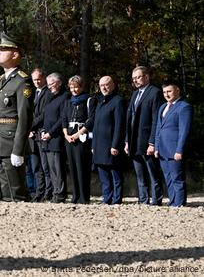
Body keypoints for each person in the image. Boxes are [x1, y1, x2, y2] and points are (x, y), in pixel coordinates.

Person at [0, 32, 34, 202]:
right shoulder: (0, 80)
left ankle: (21, 208)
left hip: (11, 138)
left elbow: (25, 117)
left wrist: (18, 150)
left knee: (15, 186)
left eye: (3, 49)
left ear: (15, 54)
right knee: (3, 179)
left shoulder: (22, 81)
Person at [125, 66, 165, 205]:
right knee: (140, 173)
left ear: (147, 77)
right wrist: (126, 141)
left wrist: (152, 142)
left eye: (138, 77)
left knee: (152, 172)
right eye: (134, 78)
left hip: (147, 140)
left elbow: (156, 119)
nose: (135, 80)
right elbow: (129, 118)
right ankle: (143, 199)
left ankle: (156, 199)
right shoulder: (135, 94)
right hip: (133, 140)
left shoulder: (155, 93)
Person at [154, 81, 193, 207]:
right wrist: (156, 147)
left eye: (169, 91)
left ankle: (180, 204)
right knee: (168, 179)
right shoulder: (162, 107)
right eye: (164, 92)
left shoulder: (184, 107)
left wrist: (180, 150)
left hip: (175, 149)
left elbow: (184, 131)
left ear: (177, 90)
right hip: (163, 149)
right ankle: (173, 203)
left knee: (177, 178)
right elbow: (158, 128)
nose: (166, 94)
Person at [92, 76, 126, 205]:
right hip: (99, 145)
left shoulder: (118, 101)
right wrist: (93, 145)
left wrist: (116, 145)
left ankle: (117, 200)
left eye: (107, 85)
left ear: (113, 85)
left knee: (115, 175)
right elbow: (96, 126)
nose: (104, 88)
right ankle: (107, 199)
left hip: (111, 145)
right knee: (104, 176)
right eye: (101, 86)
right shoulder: (100, 102)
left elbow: (119, 125)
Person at [62, 75, 95, 204]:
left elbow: (91, 119)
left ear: (81, 87)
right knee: (72, 166)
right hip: (69, 137)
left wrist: (77, 134)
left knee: (82, 167)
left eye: (76, 87)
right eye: (71, 87)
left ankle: (83, 196)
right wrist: (66, 135)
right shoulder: (68, 101)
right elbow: (64, 119)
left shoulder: (89, 100)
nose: (74, 90)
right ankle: (75, 195)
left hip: (81, 136)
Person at [40, 73, 69, 203]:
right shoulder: (50, 97)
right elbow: (46, 116)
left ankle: (61, 193)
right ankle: (55, 192)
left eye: (52, 84)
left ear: (59, 83)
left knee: (58, 167)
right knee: (50, 168)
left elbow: (61, 119)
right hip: (47, 137)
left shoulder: (65, 96)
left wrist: (50, 133)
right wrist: (43, 131)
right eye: (48, 84)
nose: (50, 86)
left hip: (57, 138)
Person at [28, 68, 52, 202]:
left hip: (42, 132)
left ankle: (48, 193)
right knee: (35, 166)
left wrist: (30, 126)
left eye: (38, 79)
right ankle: (39, 192)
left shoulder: (48, 93)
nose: (36, 82)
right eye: (34, 80)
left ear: (44, 79)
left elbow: (44, 114)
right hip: (32, 135)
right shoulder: (32, 93)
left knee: (45, 166)